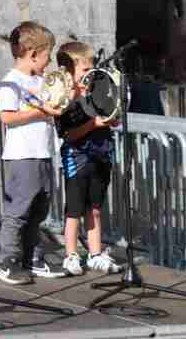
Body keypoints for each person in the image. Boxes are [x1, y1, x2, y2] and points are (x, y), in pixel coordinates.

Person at [0, 22, 67, 285]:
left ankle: (31, 257)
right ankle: (9, 261)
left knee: (39, 209)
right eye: (48, 55)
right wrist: (41, 111)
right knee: (19, 211)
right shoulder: (11, 83)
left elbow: (56, 103)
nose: (50, 61)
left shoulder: (41, 81)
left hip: (43, 153)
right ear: (33, 54)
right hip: (22, 156)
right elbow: (7, 117)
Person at [56, 41, 123, 276]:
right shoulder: (64, 99)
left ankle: (95, 254)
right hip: (77, 157)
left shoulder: (98, 92)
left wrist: (112, 119)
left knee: (94, 208)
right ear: (69, 71)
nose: (90, 74)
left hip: (101, 153)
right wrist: (93, 124)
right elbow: (68, 135)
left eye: (92, 69)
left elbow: (111, 117)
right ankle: (71, 255)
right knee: (74, 210)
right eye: (85, 70)